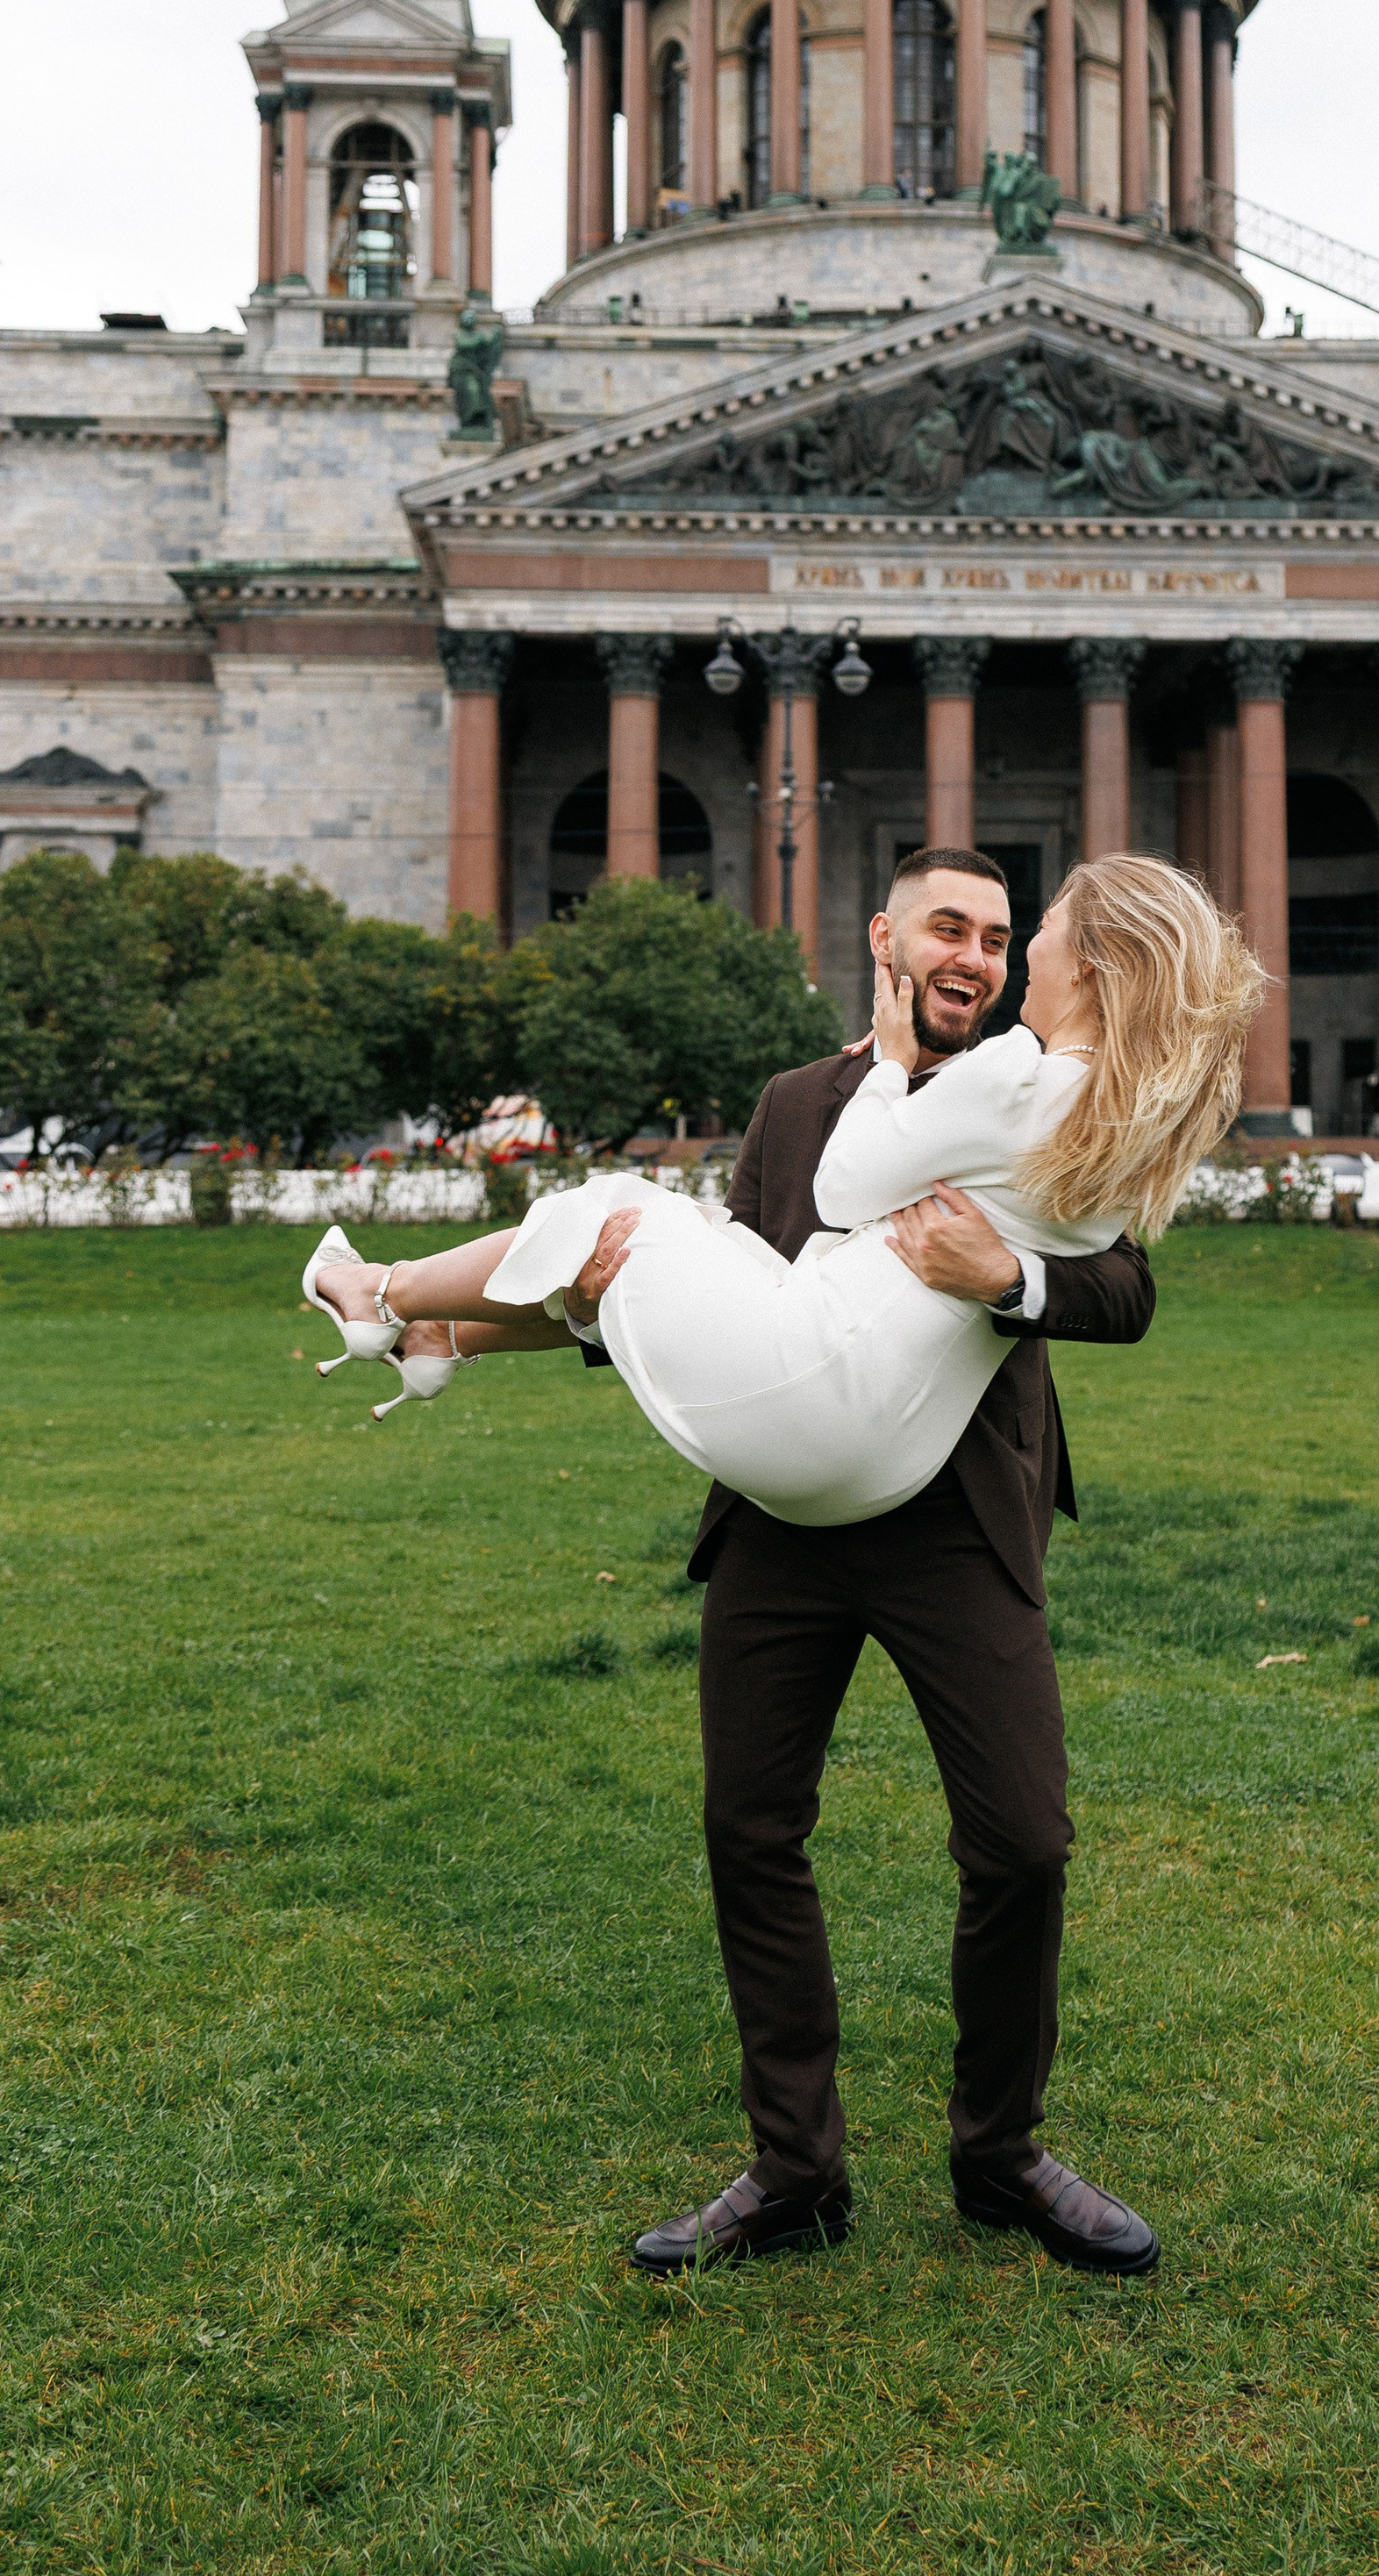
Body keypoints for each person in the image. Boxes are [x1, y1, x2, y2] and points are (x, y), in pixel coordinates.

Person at [304, 849, 1261, 2280]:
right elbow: (727, 1298)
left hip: (957, 1521)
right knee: (752, 1829)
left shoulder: (1047, 1091)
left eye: (1004, 937)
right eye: (951, 926)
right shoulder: (798, 1104)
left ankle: (1003, 2157)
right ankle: (793, 2171)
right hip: (785, 1518)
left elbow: (1122, 1287)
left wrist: (1011, 1282)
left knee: (1025, 1844)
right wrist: (560, 1310)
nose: (979, 955)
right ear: (888, 940)